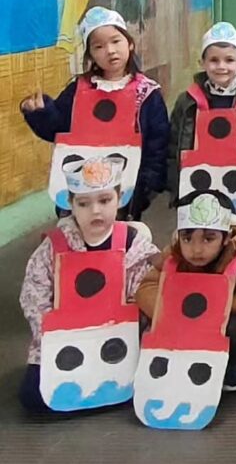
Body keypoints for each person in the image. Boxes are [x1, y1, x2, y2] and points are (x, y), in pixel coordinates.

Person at [18, 156, 160, 412]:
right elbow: (33, 295)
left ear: (119, 198)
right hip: (65, 343)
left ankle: (98, 394)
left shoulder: (134, 246)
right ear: (70, 203)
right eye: (84, 203)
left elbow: (145, 292)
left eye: (104, 200)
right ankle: (102, 395)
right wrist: (52, 334)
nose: (95, 210)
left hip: (118, 341)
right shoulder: (53, 247)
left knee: (150, 380)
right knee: (33, 395)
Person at [20, 6, 169, 219]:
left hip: (125, 197)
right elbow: (58, 129)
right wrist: (40, 113)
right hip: (79, 196)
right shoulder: (78, 90)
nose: (110, 50)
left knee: (120, 239)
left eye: (116, 41)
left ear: (130, 43)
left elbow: (157, 145)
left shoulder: (147, 94)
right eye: (99, 46)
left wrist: (144, 189)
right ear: (90, 54)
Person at [135, 189, 236, 392]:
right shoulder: (174, 255)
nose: (196, 249)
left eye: (208, 239)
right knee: (145, 316)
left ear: (225, 237)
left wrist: (220, 305)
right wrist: (170, 310)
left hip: (229, 321)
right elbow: (147, 286)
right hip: (188, 320)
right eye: (187, 239)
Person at [167, 21, 236, 210]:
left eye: (229, 60)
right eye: (214, 60)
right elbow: (173, 143)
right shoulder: (188, 101)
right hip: (194, 188)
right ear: (202, 63)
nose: (221, 66)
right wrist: (174, 183)